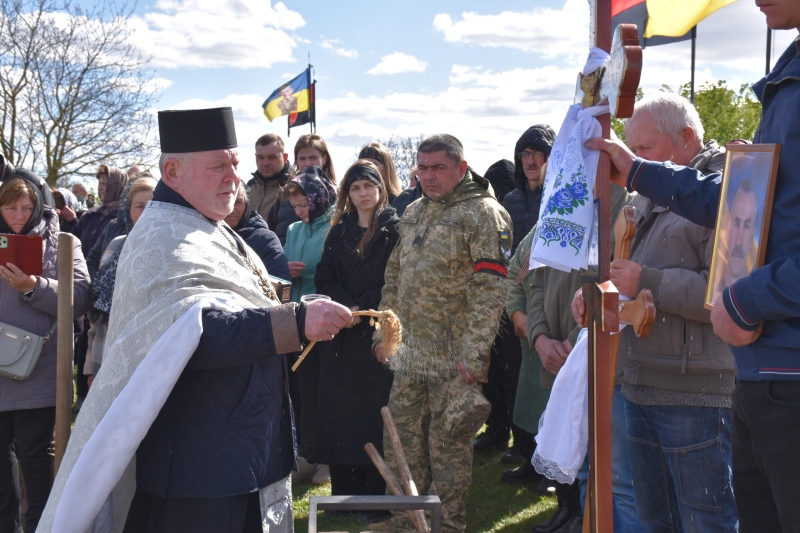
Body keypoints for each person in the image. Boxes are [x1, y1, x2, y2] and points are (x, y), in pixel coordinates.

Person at [39, 106, 353, 533]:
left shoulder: (208, 224)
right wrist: (296, 322)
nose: (232, 177)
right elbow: (189, 336)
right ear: (172, 170)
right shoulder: (161, 237)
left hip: (235, 452)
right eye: (217, 166)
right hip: (197, 469)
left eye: (235, 165)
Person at [587, 5, 800, 529]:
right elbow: (743, 200)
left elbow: (741, 226)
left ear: (686, 139)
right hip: (756, 373)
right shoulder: (788, 77)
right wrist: (638, 172)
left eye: (646, 147)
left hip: (764, 374)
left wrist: (743, 298)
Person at [575, 93, 736, 533]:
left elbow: (730, 296)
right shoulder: (646, 197)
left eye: (643, 150)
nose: (632, 161)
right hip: (641, 382)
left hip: (697, 394)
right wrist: (597, 298)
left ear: (686, 139)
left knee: (707, 523)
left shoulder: (727, 192)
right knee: (655, 522)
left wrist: (648, 282)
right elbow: (625, 273)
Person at [371, 134, 511, 533]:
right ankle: (406, 520)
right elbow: (394, 276)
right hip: (411, 353)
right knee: (402, 440)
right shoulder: (415, 210)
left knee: (447, 446)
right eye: (423, 167)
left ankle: (447, 525)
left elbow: (491, 289)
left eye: (438, 168)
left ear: (461, 169)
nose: (428, 176)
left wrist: (475, 353)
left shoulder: (485, 214)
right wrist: (385, 335)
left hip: (453, 357)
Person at [528, 177, 636, 533]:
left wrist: (574, 342)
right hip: (558, 352)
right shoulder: (560, 207)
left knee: (614, 474)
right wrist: (540, 337)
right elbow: (536, 279)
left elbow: (608, 288)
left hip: (591, 353)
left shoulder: (624, 205)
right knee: (579, 461)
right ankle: (575, 515)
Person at [0, 171, 90, 532]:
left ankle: (41, 527)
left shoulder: (63, 242)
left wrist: (33, 286)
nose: (19, 215)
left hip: (37, 371)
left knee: (39, 468)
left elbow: (82, 298)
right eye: (10, 208)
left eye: (26, 207)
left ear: (39, 207)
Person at [313, 160, 399, 521]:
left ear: (381, 189)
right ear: (348, 194)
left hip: (375, 334)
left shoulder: (394, 230)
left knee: (370, 417)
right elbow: (324, 276)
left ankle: (373, 502)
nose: (362, 194)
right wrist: (343, 305)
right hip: (341, 336)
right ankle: (342, 497)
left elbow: (396, 280)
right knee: (340, 418)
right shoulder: (339, 231)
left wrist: (364, 308)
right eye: (355, 188)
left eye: (369, 186)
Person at [282, 165, 338, 486]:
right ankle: (307, 453)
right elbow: (280, 275)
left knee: (327, 387)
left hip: (327, 317)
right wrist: (284, 272)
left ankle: (329, 458)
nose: (301, 211)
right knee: (304, 390)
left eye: (304, 204)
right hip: (298, 318)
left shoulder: (335, 224)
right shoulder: (292, 230)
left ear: (318, 198)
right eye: (295, 206)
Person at [85, 177, 158, 384]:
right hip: (107, 346)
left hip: (148, 353)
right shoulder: (116, 245)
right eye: (139, 206)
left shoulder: (172, 247)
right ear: (129, 209)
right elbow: (97, 311)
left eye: (151, 205)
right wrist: (91, 366)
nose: (145, 212)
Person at [266, 134, 336, 245]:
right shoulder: (285, 194)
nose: (308, 163)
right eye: (302, 158)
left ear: (324, 158)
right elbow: (269, 233)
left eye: (313, 157)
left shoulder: (337, 194)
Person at [225, 183, 291, 282]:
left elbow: (281, 285)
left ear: (246, 204)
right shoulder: (205, 234)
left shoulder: (265, 240)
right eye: (227, 201)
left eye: (238, 202)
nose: (232, 209)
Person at [247, 133, 293, 221]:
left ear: (285, 157)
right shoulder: (250, 186)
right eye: (260, 157)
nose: (265, 163)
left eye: (272, 157)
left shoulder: (295, 186)